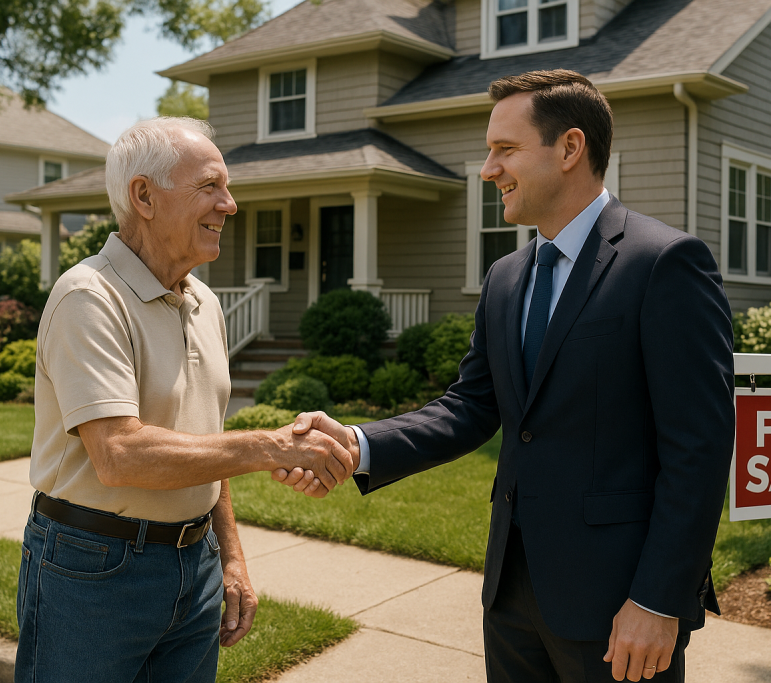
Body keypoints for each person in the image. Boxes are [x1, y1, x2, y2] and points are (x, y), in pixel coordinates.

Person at [280, 70, 736, 682]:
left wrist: (659, 599)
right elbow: (470, 406)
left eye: (505, 149)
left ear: (570, 148)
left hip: (619, 603)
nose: (488, 168)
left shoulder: (664, 264)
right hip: (512, 595)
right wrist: (355, 444)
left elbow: (700, 449)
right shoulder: (505, 277)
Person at [15, 117, 354, 683]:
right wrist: (272, 447)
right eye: (210, 187)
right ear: (143, 196)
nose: (230, 204)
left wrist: (232, 558)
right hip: (93, 567)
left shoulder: (207, 304)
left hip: (193, 564)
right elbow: (119, 453)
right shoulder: (88, 296)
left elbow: (204, 446)